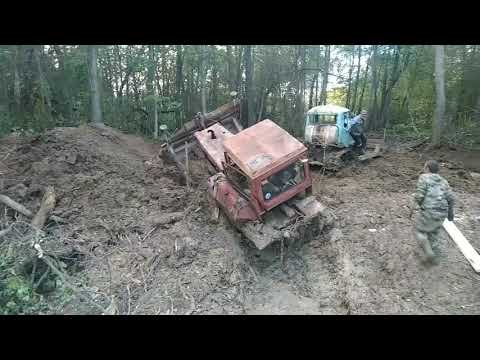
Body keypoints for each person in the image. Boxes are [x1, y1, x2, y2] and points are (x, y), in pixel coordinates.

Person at [413, 160, 455, 265]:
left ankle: (429, 253)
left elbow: (419, 195)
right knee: (434, 233)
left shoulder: (424, 177)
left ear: (427, 168)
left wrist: (414, 206)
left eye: (424, 167)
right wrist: (450, 213)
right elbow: (451, 198)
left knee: (420, 232)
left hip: (430, 210)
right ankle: (435, 257)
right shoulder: (444, 181)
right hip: (442, 211)